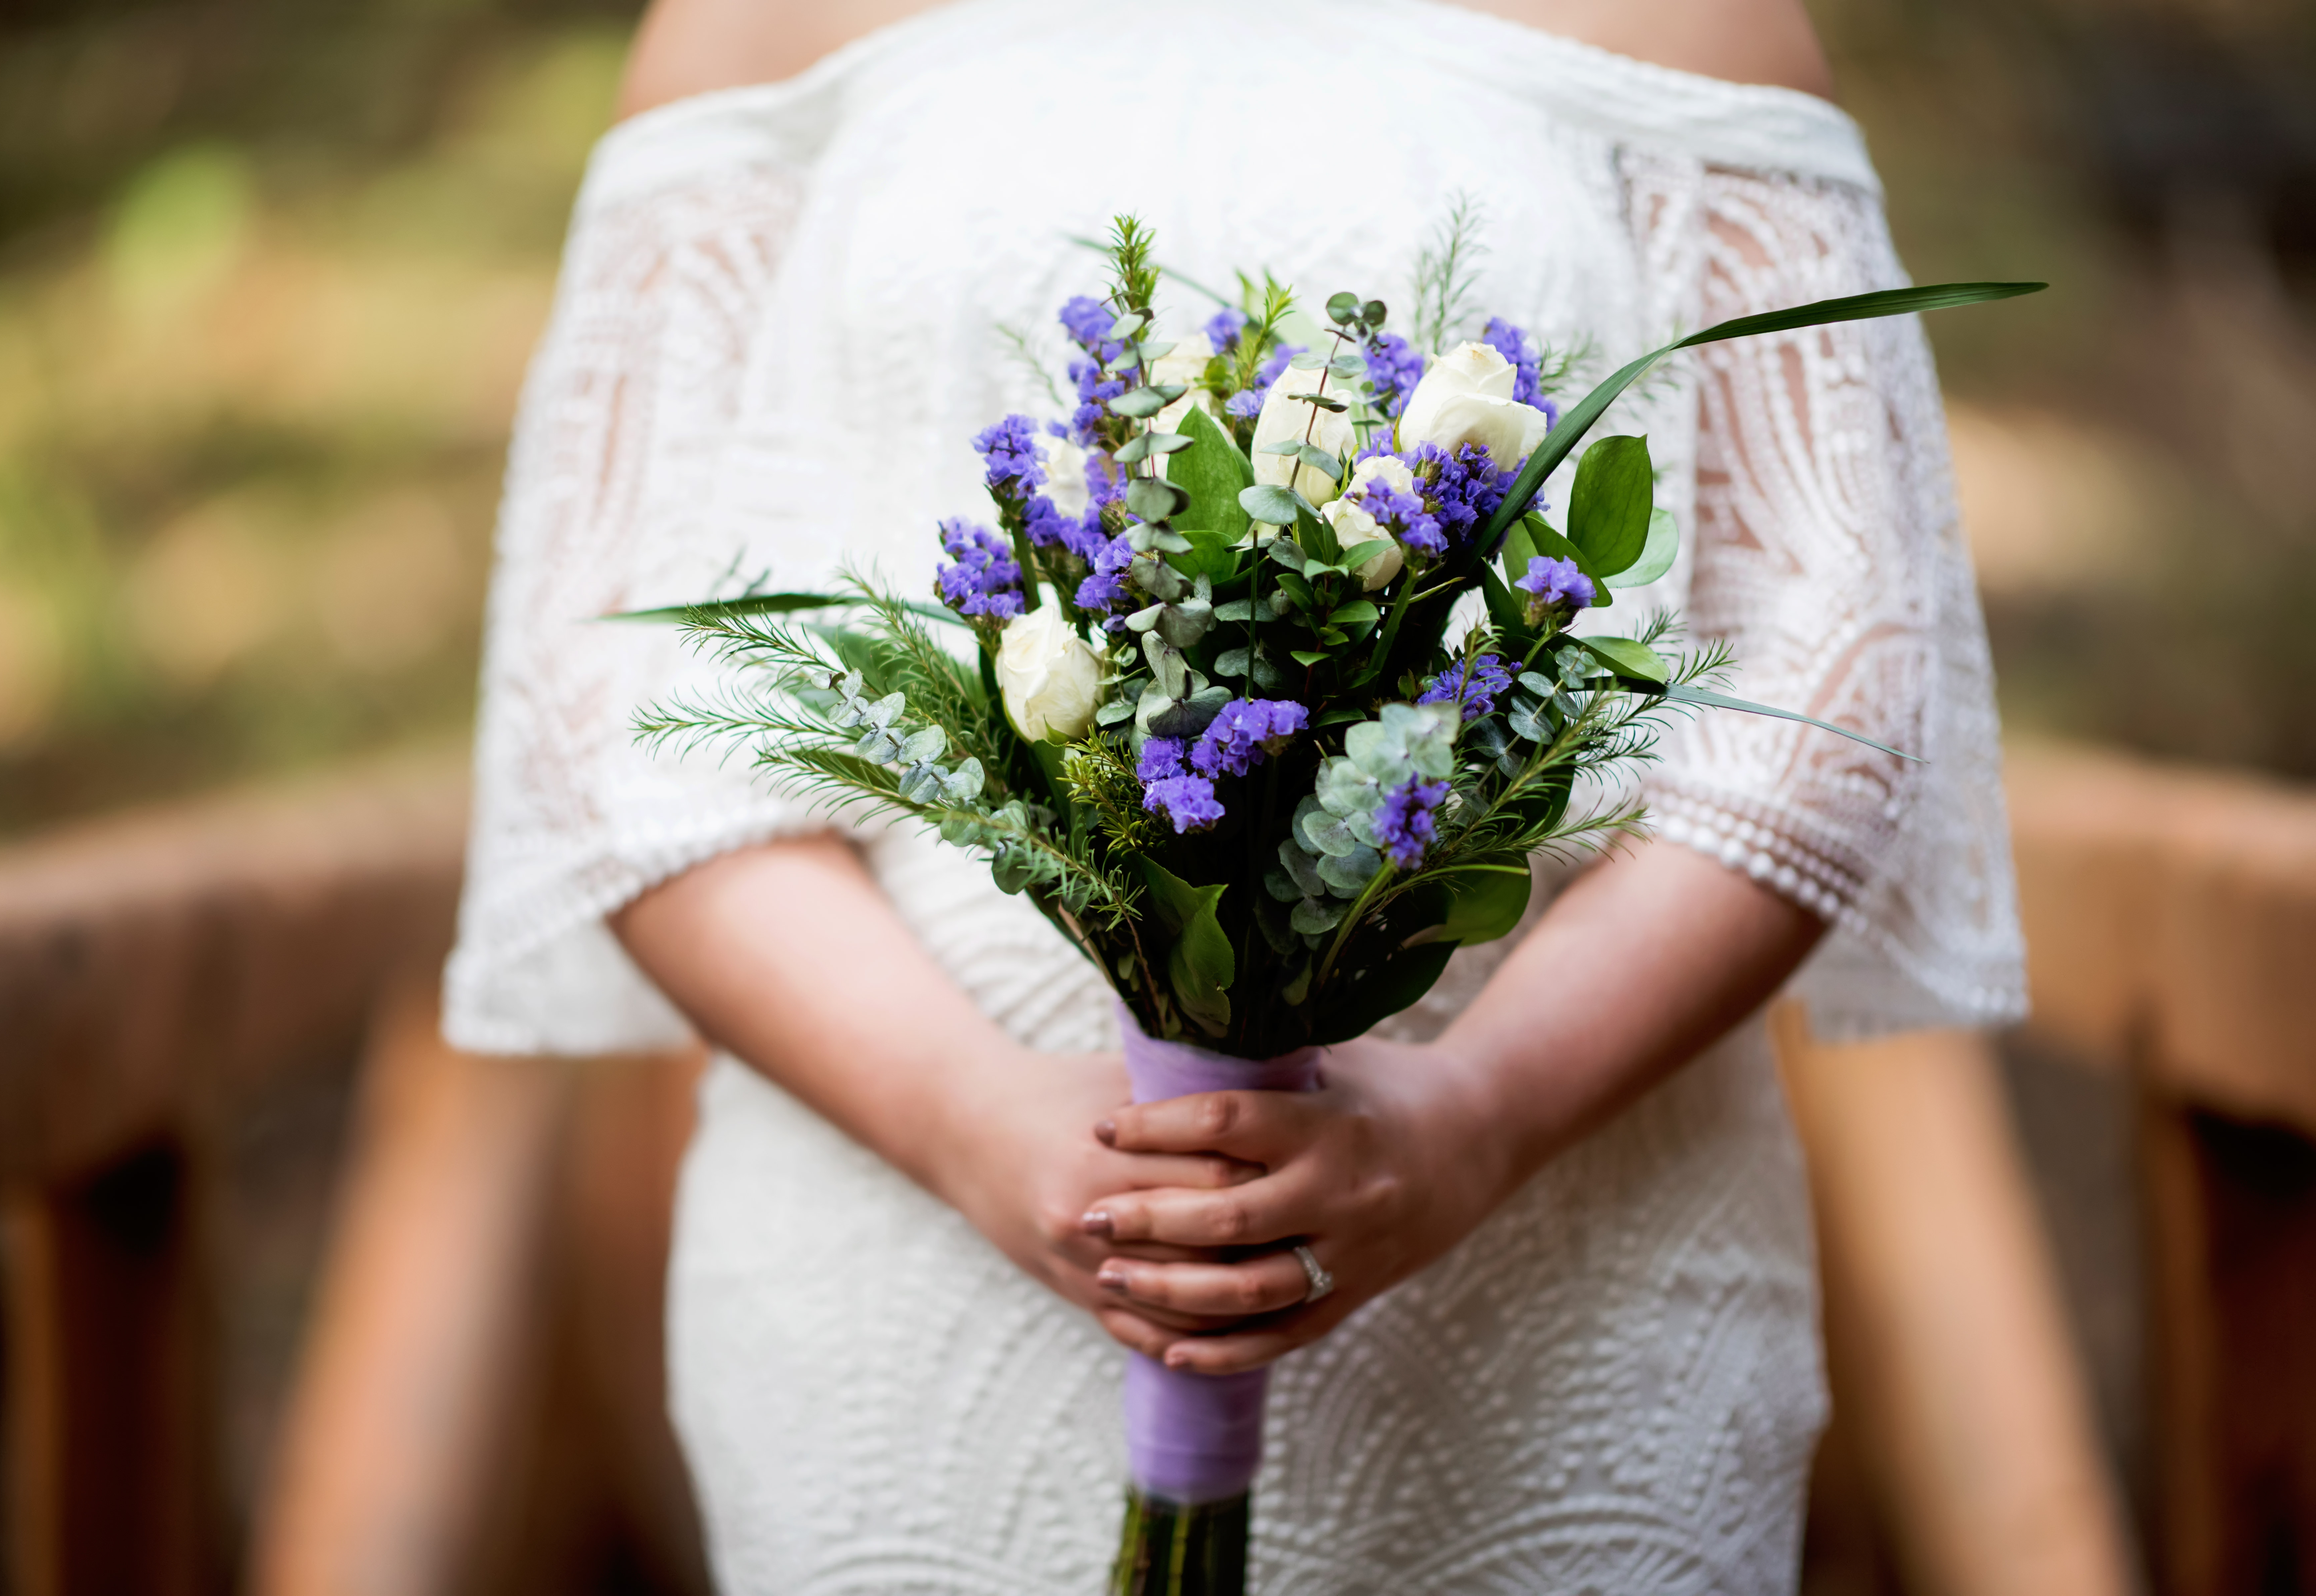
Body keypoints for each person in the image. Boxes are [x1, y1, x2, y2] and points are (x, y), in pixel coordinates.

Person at [444, 0, 2028, 1589]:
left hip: (1571, 1239)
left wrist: (1483, 1115)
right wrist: (961, 1116)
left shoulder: (1701, 20)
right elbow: (607, 675)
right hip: (901, 1238)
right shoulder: (749, 25)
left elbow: (1838, 654)